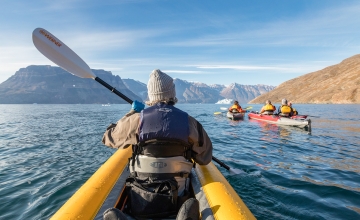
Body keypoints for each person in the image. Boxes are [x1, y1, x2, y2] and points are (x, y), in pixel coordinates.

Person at [102, 69, 213, 220]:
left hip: (139, 200)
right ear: (173, 94)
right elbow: (205, 159)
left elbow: (108, 138)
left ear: (150, 95)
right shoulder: (190, 122)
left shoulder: (136, 120)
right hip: (177, 199)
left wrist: (131, 113)